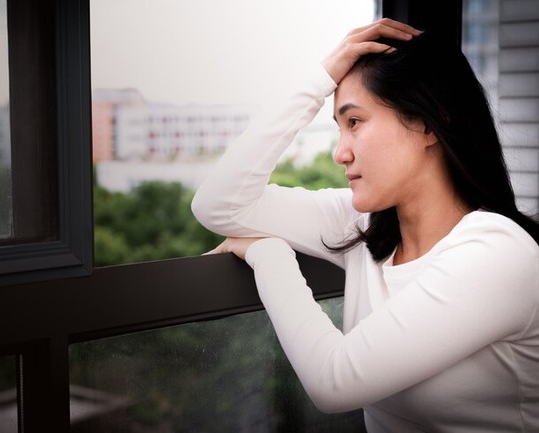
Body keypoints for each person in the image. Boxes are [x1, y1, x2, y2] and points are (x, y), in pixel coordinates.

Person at [191, 18, 539, 432]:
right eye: (339, 128)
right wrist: (319, 79)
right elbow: (218, 205)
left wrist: (270, 256)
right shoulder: (362, 227)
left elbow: (333, 382)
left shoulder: (497, 253)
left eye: (354, 122)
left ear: (428, 122)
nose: (341, 153)